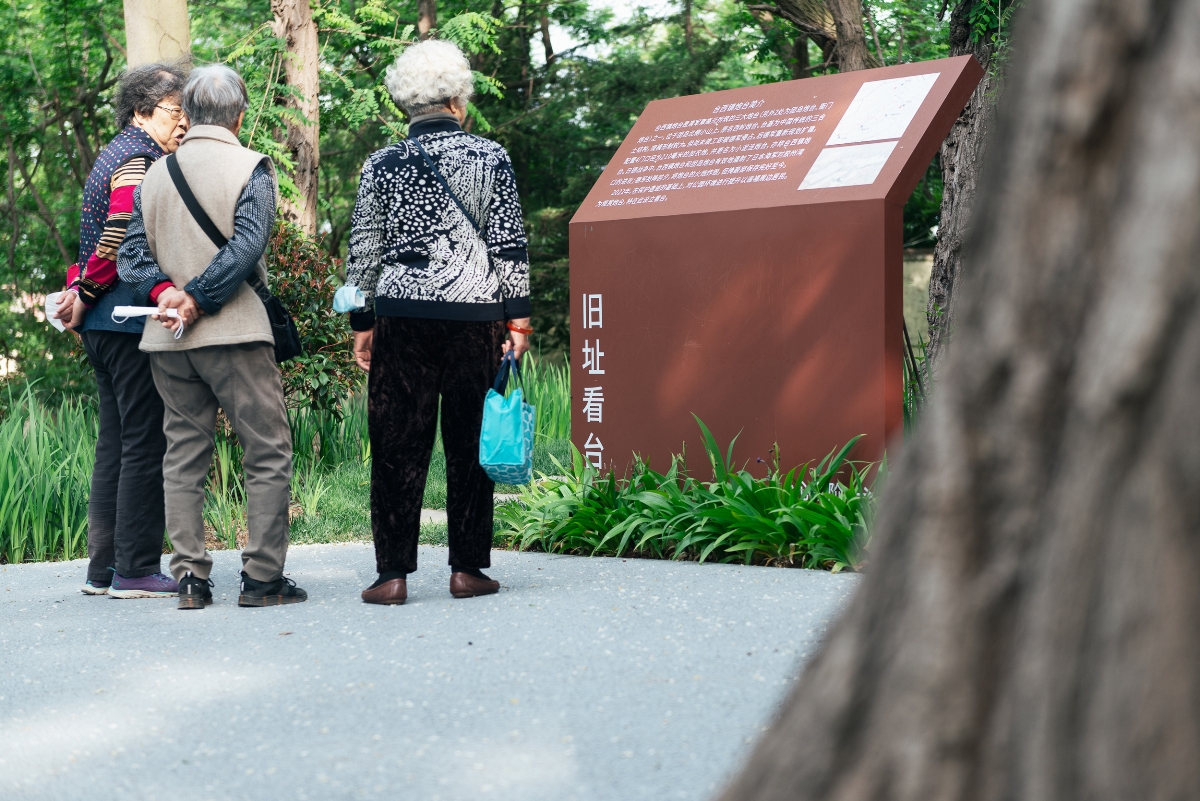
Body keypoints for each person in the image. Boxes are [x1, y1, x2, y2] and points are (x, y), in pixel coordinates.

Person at [344, 40, 532, 606]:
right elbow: (508, 244)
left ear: (407, 103)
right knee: (470, 440)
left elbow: (362, 249)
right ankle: (467, 569)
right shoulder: (489, 156)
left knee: (398, 440)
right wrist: (517, 320)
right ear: (458, 99)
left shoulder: (381, 164)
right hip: (477, 316)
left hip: (402, 315)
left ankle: (391, 576)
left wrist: (360, 319)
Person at [117, 65, 306, 610]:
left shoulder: (155, 173)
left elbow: (131, 256)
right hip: (237, 334)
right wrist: (198, 297)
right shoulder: (253, 167)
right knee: (267, 451)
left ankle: (191, 580)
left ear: (190, 113)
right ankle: (263, 578)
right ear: (240, 115)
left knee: (183, 455)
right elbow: (247, 246)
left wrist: (165, 295)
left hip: (167, 339)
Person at [57, 63, 189, 598]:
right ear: (141, 111)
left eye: (186, 112)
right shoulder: (138, 157)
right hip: (126, 317)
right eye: (174, 112)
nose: (182, 123)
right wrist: (86, 294)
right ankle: (135, 568)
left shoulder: (116, 151)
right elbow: (118, 232)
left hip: (104, 324)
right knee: (144, 441)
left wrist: (81, 294)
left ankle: (103, 570)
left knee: (115, 441)